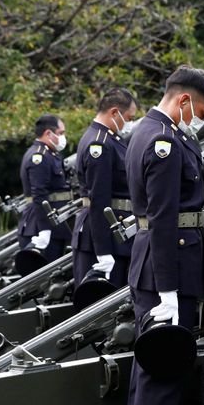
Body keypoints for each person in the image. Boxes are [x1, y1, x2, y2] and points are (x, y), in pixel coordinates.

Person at [124, 66, 204, 405]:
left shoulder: (158, 132)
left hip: (167, 266)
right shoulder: (161, 142)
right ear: (183, 100)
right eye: (200, 110)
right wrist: (167, 291)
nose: (200, 119)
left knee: (152, 371)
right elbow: (164, 220)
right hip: (166, 270)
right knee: (160, 371)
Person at [72, 88, 139, 287]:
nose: (130, 123)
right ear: (114, 112)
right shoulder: (99, 144)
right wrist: (103, 251)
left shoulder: (109, 138)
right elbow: (99, 199)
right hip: (104, 237)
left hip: (114, 234)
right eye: (129, 117)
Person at [17, 114, 72, 262]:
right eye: (61, 133)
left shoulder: (50, 154)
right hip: (41, 227)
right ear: (48, 133)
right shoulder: (39, 157)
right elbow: (39, 194)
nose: (63, 137)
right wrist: (44, 230)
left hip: (54, 226)